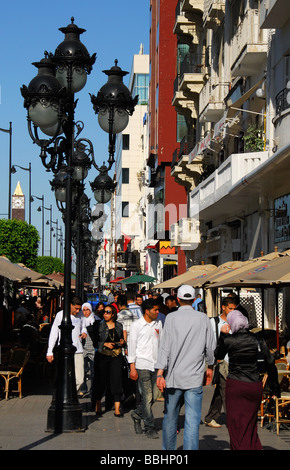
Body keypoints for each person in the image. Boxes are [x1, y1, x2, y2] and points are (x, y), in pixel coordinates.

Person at [155, 285, 216, 450]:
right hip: (194, 377)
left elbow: (164, 347)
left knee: (170, 418)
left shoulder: (171, 318)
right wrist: (210, 366)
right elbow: (210, 347)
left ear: (178, 300)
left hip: (173, 377)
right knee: (192, 421)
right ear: (194, 299)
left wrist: (160, 372)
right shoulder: (203, 319)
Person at [215, 310, 280, 450]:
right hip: (254, 385)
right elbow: (270, 362)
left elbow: (218, 355)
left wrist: (222, 335)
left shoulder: (229, 339)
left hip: (236, 385)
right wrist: (275, 388)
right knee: (249, 423)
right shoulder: (258, 339)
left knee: (235, 424)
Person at [128, 298, 163, 439]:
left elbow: (162, 343)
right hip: (142, 364)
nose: (157, 312)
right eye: (155, 310)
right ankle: (150, 427)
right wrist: (132, 367)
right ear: (147, 311)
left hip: (156, 365)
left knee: (154, 397)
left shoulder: (159, 323)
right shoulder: (136, 325)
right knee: (147, 397)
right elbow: (132, 346)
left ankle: (136, 414)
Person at [204, 296, 237, 428]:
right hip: (220, 363)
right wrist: (210, 365)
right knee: (227, 392)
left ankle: (210, 417)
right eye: (230, 308)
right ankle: (233, 421)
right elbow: (209, 343)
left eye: (234, 309)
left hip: (233, 362)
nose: (232, 311)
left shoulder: (236, 322)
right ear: (223, 307)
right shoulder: (213, 322)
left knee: (221, 391)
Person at [90, 304, 126, 417]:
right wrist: (104, 344)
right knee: (100, 381)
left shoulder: (119, 326)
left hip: (116, 356)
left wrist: (122, 342)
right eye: (104, 312)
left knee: (116, 380)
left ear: (113, 314)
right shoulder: (99, 326)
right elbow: (95, 342)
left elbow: (124, 340)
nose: (105, 314)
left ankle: (117, 409)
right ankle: (98, 404)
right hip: (102, 356)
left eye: (108, 312)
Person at [46, 296, 85, 393]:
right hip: (64, 350)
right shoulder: (61, 315)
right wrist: (49, 351)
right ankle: (66, 397)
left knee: (80, 379)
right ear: (70, 305)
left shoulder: (81, 315)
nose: (77, 311)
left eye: (79, 309)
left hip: (78, 350)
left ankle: (71, 395)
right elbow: (54, 332)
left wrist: (84, 332)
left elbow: (83, 327)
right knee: (64, 377)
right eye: (76, 308)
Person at [79, 302, 98, 398]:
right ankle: (83, 388)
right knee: (83, 369)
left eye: (87, 310)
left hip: (93, 348)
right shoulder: (80, 320)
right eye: (84, 310)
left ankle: (93, 390)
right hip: (83, 348)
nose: (86, 312)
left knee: (93, 371)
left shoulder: (95, 319)